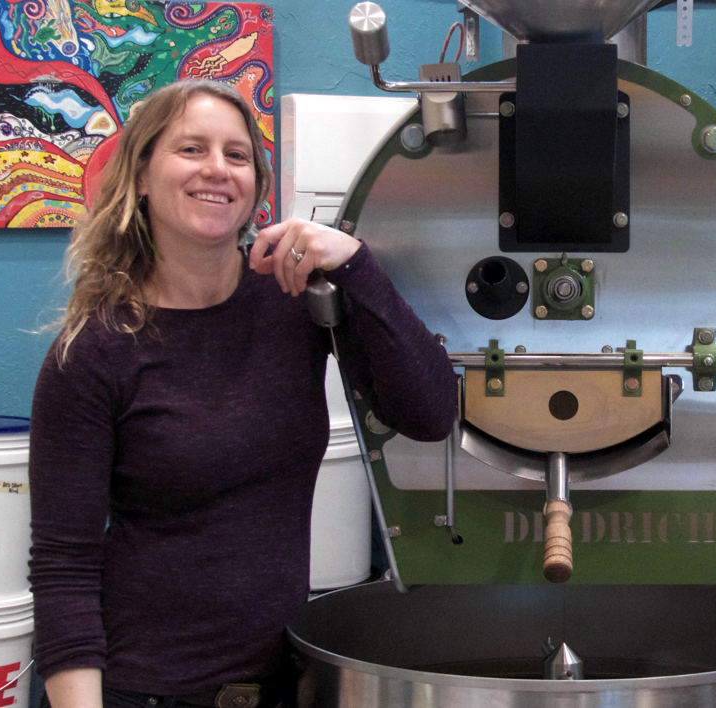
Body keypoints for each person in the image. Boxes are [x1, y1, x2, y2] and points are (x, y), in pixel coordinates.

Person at [28, 79, 458, 708]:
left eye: (236, 155)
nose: (217, 170)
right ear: (142, 176)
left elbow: (430, 413)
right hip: (139, 691)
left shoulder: (295, 307)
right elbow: (63, 567)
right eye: (191, 149)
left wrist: (355, 263)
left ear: (256, 183)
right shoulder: (93, 352)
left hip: (277, 682)